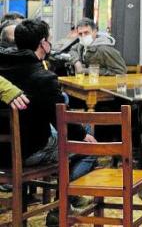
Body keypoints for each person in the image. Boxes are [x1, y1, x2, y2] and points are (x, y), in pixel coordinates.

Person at [0, 19, 97, 225]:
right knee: (88, 146)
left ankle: (68, 197)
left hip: (2, 152)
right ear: (43, 43)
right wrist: (82, 136)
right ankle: (63, 202)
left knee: (80, 132)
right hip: (29, 151)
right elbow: (63, 120)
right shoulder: (42, 78)